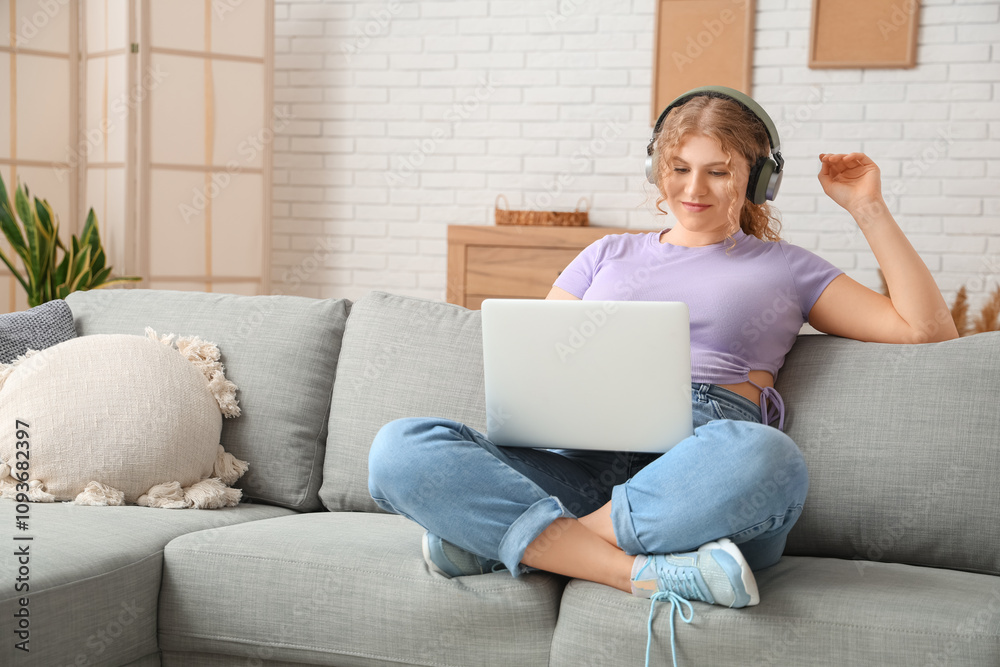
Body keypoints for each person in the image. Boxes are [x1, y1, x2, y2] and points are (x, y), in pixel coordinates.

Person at [367, 86, 958, 667]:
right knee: (401, 447)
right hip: (578, 456)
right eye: (678, 167)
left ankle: (521, 541)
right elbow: (536, 363)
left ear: (758, 181)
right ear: (656, 168)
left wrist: (867, 208)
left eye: (719, 172)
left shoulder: (788, 268)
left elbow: (927, 330)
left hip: (698, 471)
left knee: (766, 457)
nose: (694, 189)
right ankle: (639, 573)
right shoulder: (605, 255)